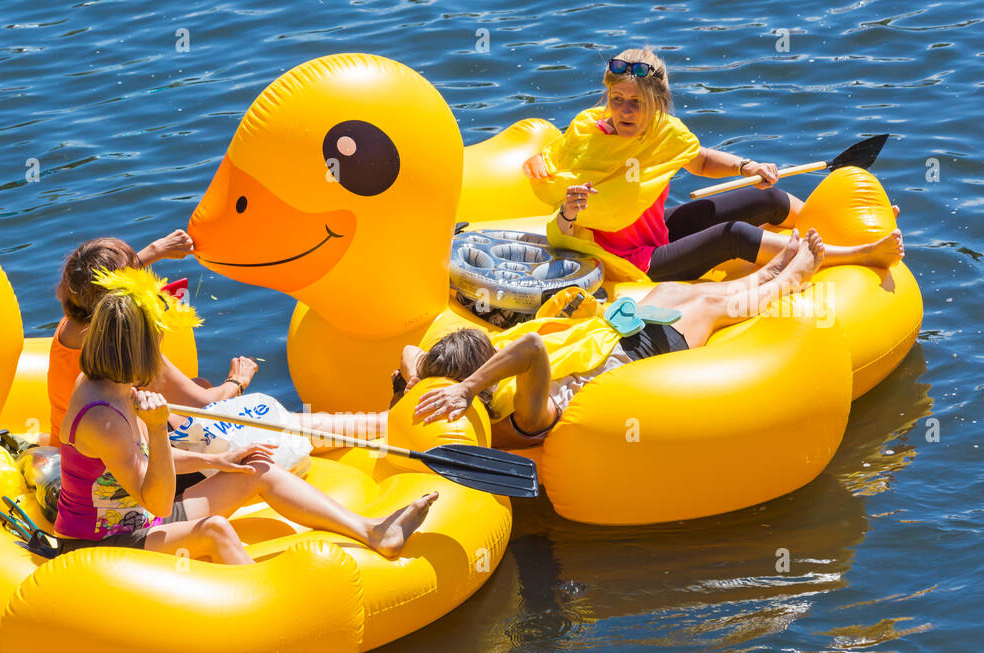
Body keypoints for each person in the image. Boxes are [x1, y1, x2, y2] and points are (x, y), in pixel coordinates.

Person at [53, 269, 437, 564]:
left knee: (258, 468)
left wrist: (215, 460)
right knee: (215, 531)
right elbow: (157, 500)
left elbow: (139, 466)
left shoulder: (112, 383)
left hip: (141, 521)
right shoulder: (102, 418)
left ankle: (373, 532)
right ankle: (286, 634)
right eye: (156, 344)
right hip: (101, 544)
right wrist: (156, 429)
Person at [408, 230, 825, 444]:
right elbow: (533, 348)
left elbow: (410, 352)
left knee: (675, 291)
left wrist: (417, 380)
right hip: (638, 354)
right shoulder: (520, 418)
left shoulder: (462, 388)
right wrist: (466, 388)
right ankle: (787, 281)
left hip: (609, 332)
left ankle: (763, 274)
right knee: (712, 308)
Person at [522, 47, 902, 282]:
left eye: (635, 102)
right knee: (731, 235)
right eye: (616, 98)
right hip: (631, 259)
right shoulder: (588, 131)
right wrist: (541, 164)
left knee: (764, 198)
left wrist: (746, 166)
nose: (623, 110)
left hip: (657, 233)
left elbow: (700, 160)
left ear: (657, 102)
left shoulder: (664, 132)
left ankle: (839, 230)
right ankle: (858, 253)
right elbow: (555, 165)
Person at [47, 233, 258, 446]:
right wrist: (238, 380)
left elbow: (99, 285)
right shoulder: (126, 345)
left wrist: (156, 250)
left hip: (68, 445)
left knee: (199, 384)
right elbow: (205, 405)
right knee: (203, 391)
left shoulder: (76, 315)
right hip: (111, 461)